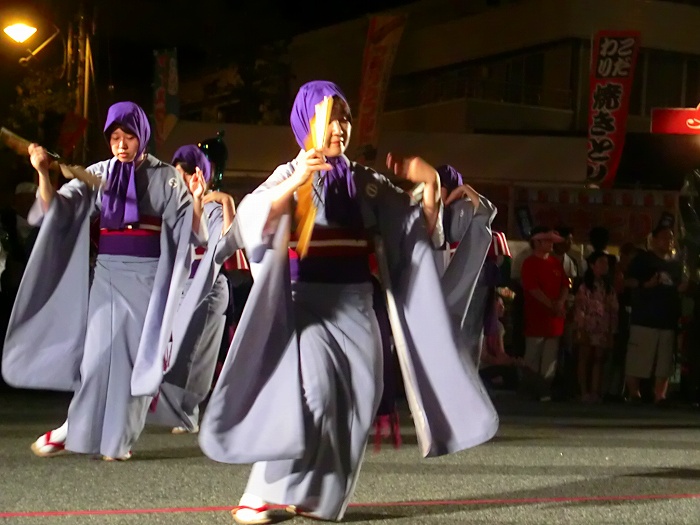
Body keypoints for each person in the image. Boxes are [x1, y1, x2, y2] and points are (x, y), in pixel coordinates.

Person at [198, 80, 498, 524]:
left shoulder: (365, 182)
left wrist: (431, 186)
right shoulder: (288, 173)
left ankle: (318, 500)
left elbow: (412, 232)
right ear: (305, 123)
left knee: (361, 396)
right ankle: (259, 494)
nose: (339, 128)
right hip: (304, 303)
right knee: (315, 394)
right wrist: (296, 182)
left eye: (345, 118)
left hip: (356, 304)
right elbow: (251, 221)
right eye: (329, 118)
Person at [2, 101, 202, 461]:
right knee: (94, 360)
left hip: (148, 278)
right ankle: (73, 429)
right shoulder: (97, 173)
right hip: (107, 275)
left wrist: (196, 201)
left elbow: (190, 230)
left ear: (142, 136)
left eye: (129, 137)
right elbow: (55, 210)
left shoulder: (166, 177)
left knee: (136, 363)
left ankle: (118, 441)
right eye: (114, 137)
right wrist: (43, 172)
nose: (121, 144)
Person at [147, 144, 239, 434]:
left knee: (196, 352)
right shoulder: (174, 207)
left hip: (208, 286)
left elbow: (227, 245)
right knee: (174, 349)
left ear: (200, 175)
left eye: (184, 174)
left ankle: (188, 412)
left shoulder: (213, 205)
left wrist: (226, 202)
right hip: (180, 286)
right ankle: (172, 408)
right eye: (176, 175)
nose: (180, 181)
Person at [624, 226, 685, 404]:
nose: (669, 241)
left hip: (667, 319)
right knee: (638, 358)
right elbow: (628, 281)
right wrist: (645, 285)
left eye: (671, 238)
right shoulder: (643, 259)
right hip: (645, 317)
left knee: (664, 361)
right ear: (655, 239)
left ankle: (660, 395)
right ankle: (634, 393)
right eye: (664, 237)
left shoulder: (675, 263)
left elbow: (679, 285)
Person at [520, 226, 570, 401]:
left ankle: (545, 389)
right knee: (533, 356)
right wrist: (552, 305)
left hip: (554, 319)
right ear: (537, 242)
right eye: (547, 241)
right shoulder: (529, 263)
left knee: (550, 358)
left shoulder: (555, 263)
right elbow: (532, 289)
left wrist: (560, 302)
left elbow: (565, 285)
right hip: (536, 318)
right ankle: (531, 390)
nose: (551, 244)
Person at [573, 251, 618, 402]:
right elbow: (580, 308)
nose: (605, 266)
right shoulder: (585, 286)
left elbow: (613, 311)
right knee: (584, 358)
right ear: (592, 265)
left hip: (603, 327)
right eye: (601, 262)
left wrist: (612, 331)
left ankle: (595, 391)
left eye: (606, 263)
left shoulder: (608, 288)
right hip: (587, 325)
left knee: (599, 359)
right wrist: (581, 328)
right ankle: (583, 391)